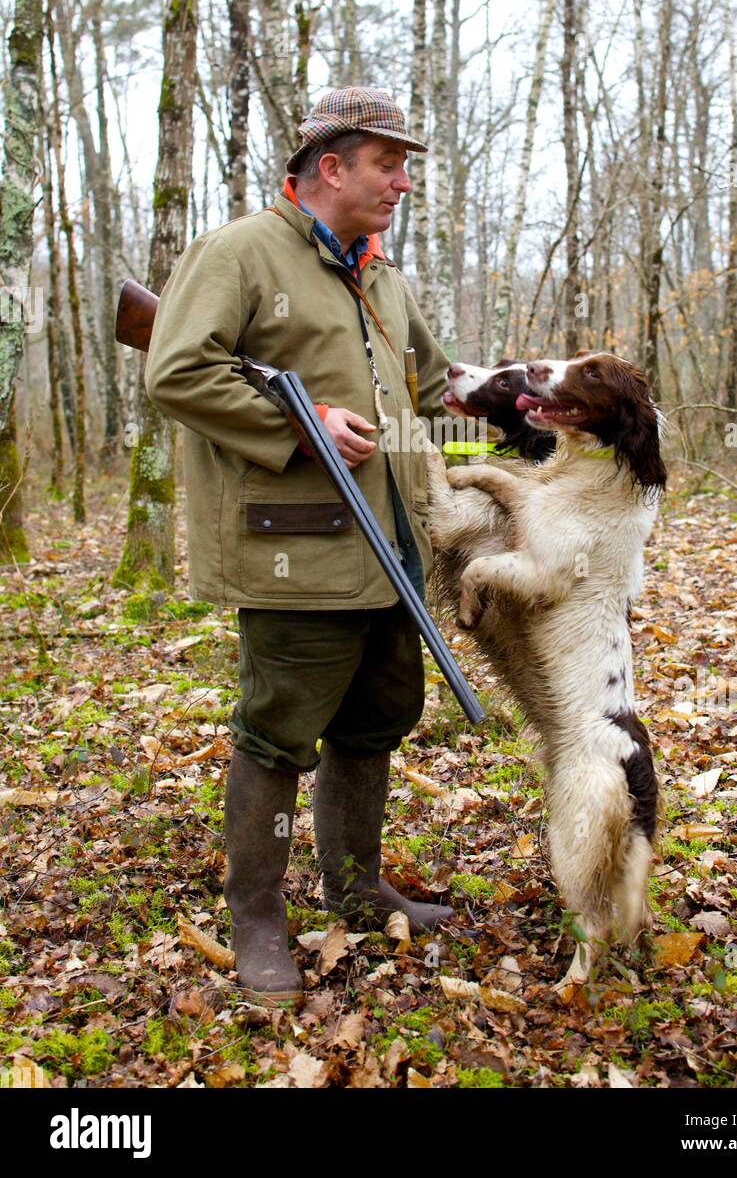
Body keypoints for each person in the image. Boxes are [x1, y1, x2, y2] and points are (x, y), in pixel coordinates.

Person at [144, 87, 454, 1003]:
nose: (402, 182)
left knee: (374, 722)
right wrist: (300, 420)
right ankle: (258, 921)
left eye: (405, 166)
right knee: (278, 736)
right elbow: (176, 370)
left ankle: (358, 888)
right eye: (387, 164)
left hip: (391, 548)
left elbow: (431, 387)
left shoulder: (381, 275)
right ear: (332, 166)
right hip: (297, 548)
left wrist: (535, 408)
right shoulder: (239, 251)